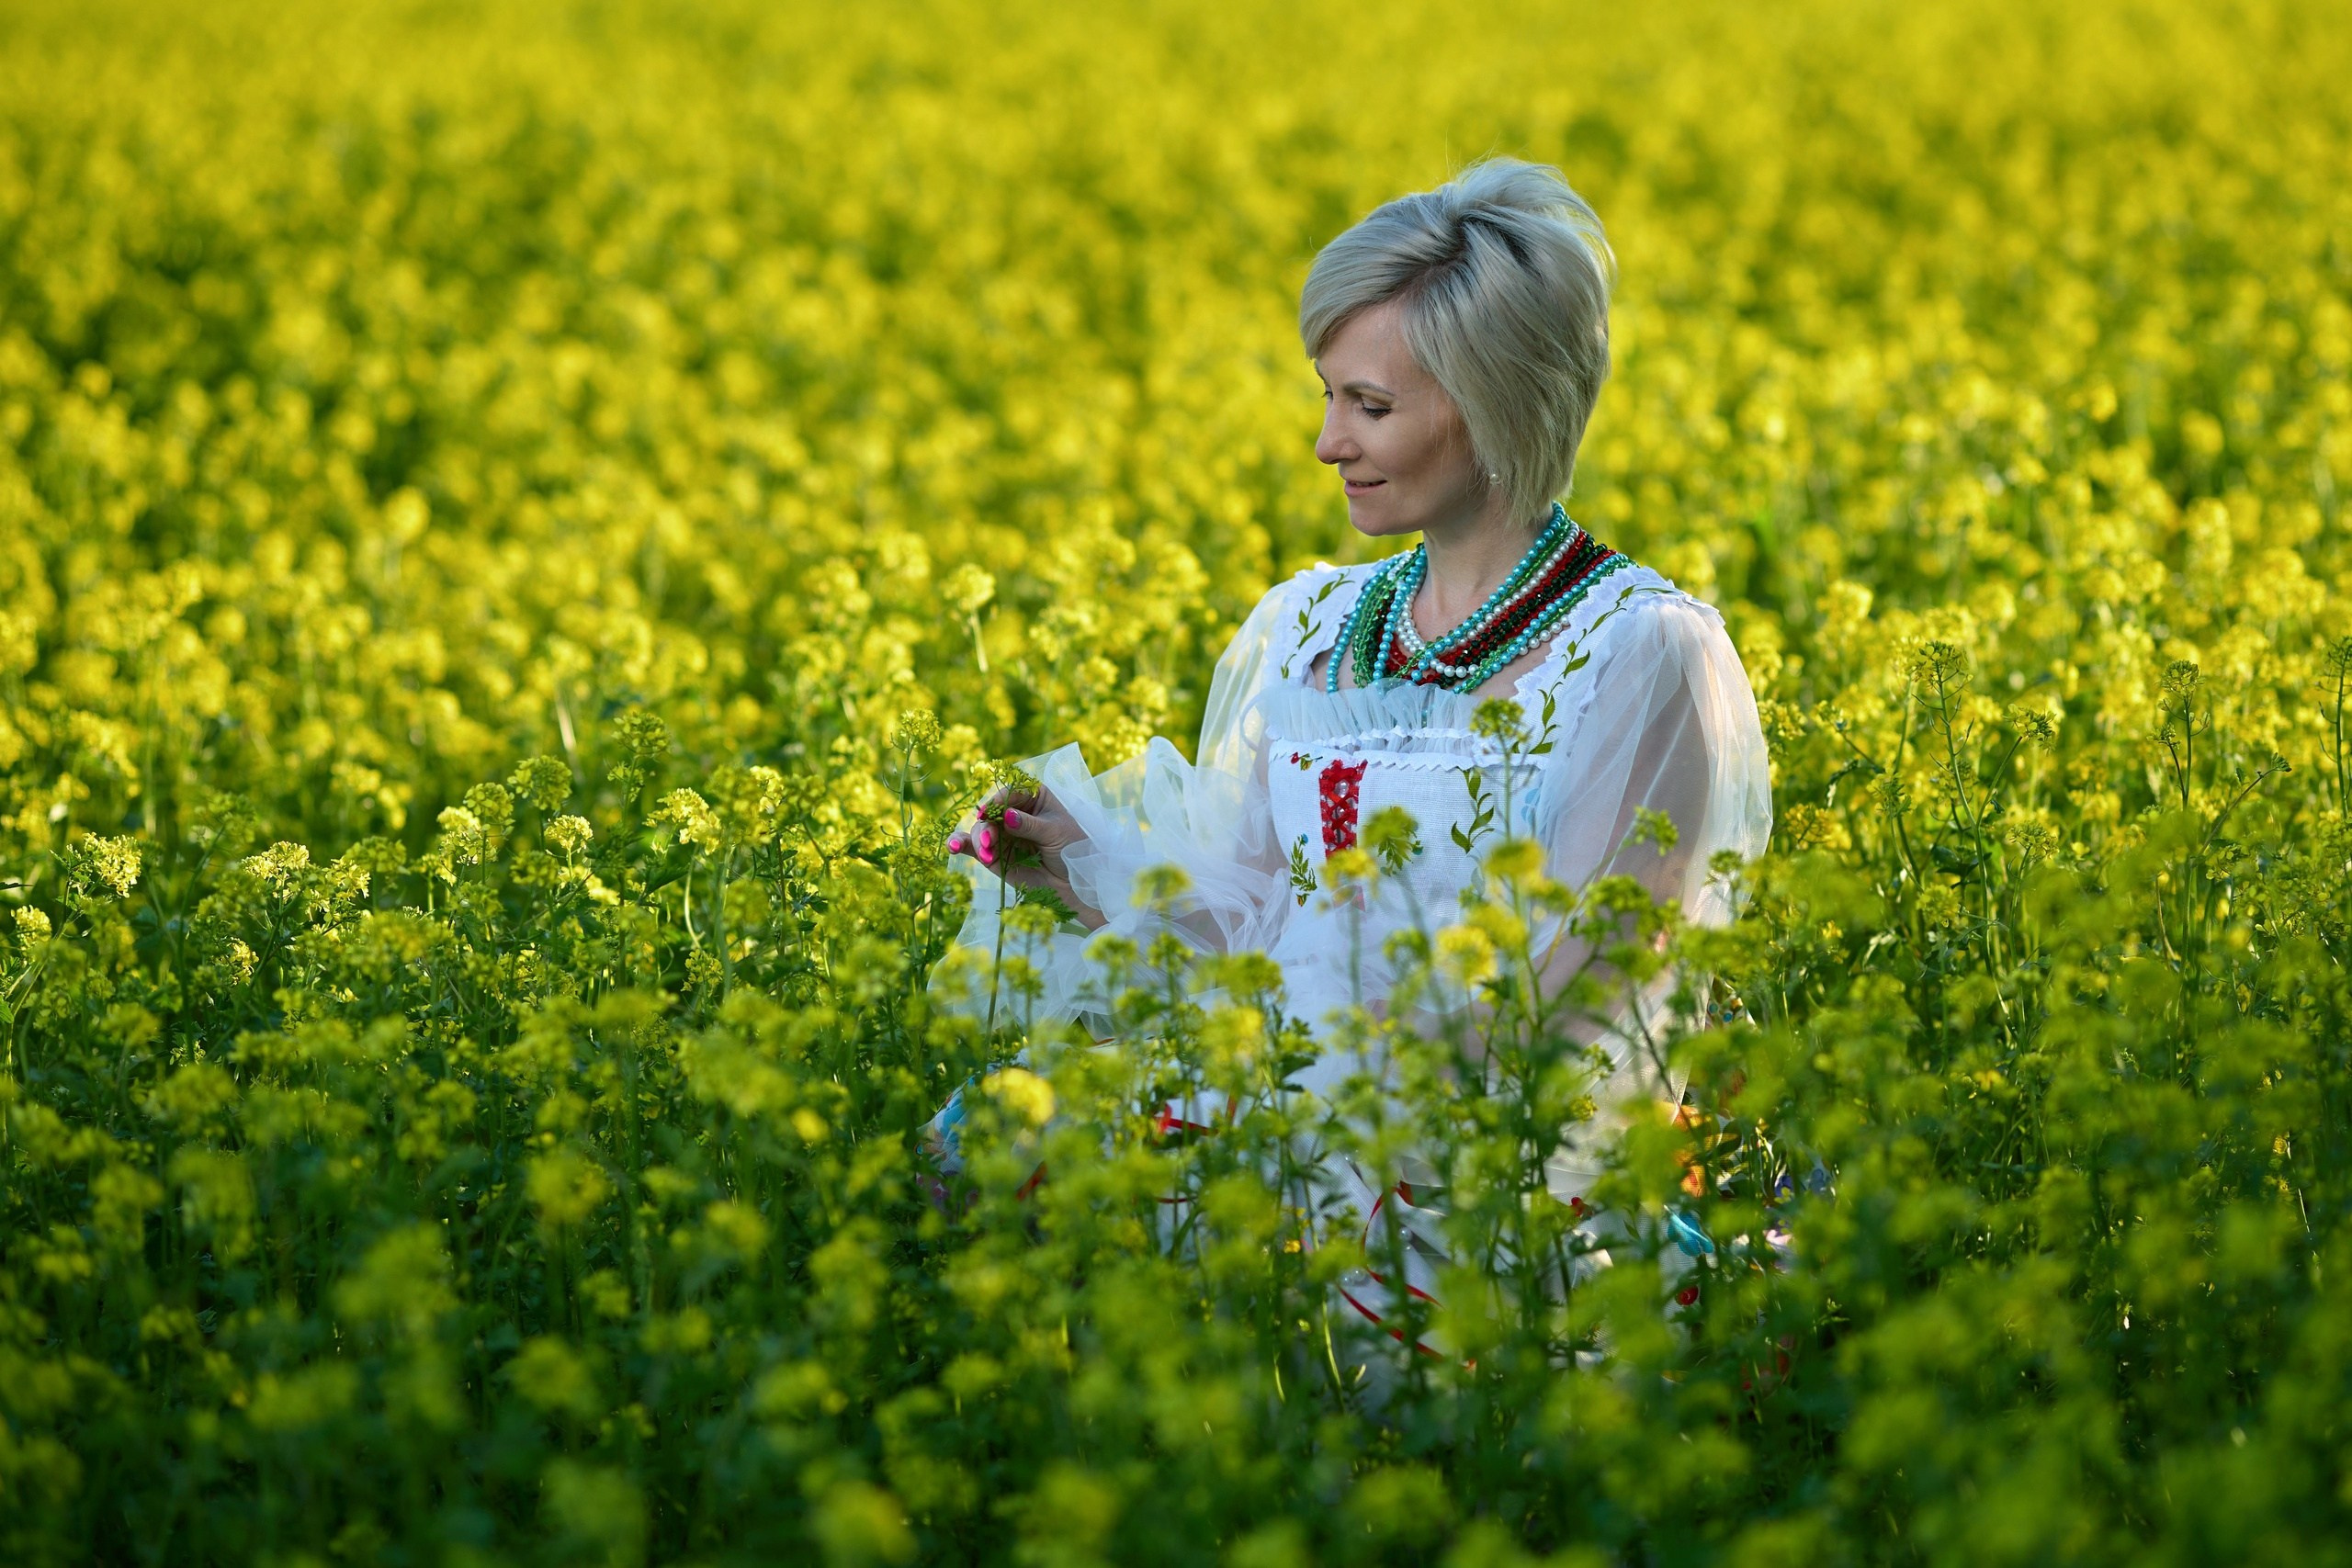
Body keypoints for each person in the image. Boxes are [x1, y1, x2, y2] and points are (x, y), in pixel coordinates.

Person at [935, 158, 1773, 1347]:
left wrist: (1317, 1102)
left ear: (1494, 407)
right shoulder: (1312, 633)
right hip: (1295, 1116)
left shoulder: (1641, 654)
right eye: (1328, 397)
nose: (1329, 442)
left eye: (1369, 406)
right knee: (985, 1147)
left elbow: (1577, 1017)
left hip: (1490, 1180)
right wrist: (1087, 869)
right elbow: (1267, 934)